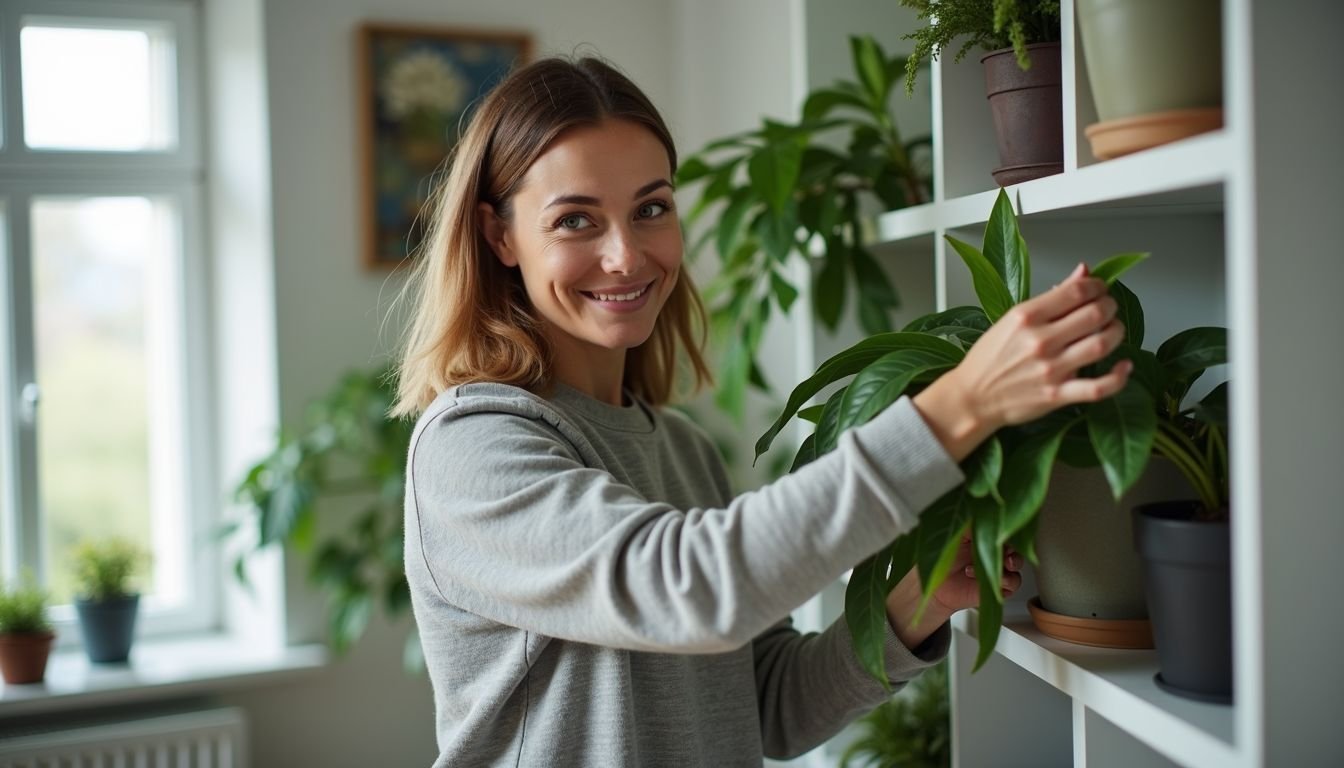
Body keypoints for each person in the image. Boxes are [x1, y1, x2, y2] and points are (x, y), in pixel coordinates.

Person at [393, 56, 1130, 768]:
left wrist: (914, 604)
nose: (626, 255)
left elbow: (766, 706)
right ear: (499, 235)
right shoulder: (471, 446)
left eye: (651, 208)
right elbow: (699, 590)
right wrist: (964, 402)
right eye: (576, 221)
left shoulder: (681, 450)